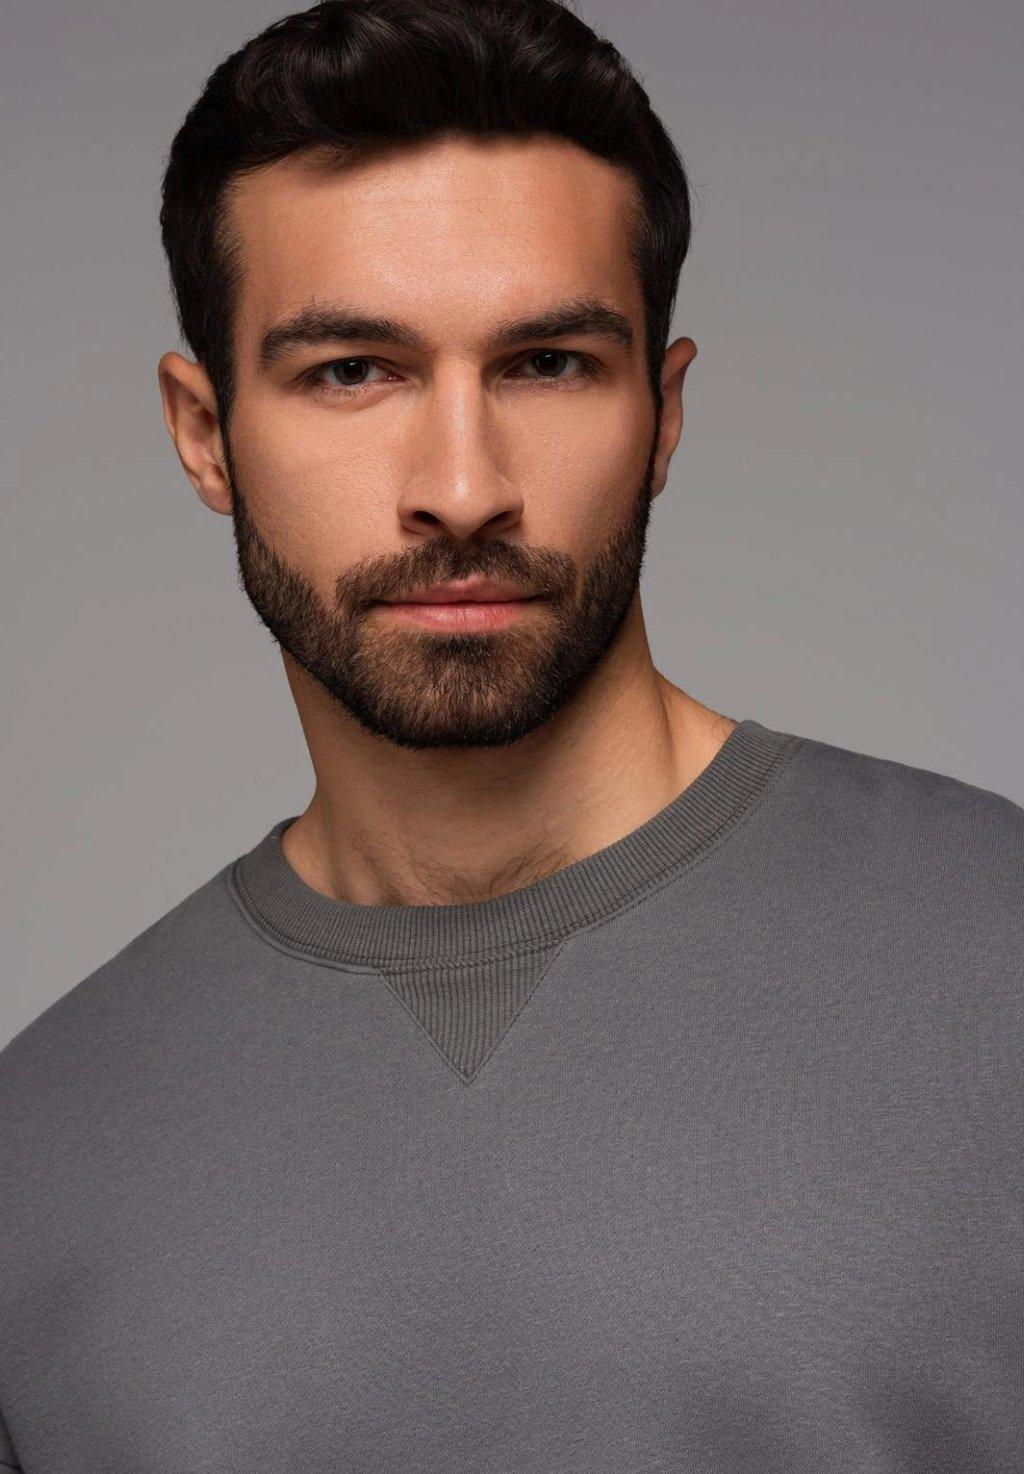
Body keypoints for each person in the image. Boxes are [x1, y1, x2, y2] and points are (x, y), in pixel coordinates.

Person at [1, 0, 1021, 1467]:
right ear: (204, 432)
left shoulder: (1000, 957)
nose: (465, 487)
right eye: (352, 370)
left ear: (664, 413)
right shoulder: (38, 1150)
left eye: (547, 363)